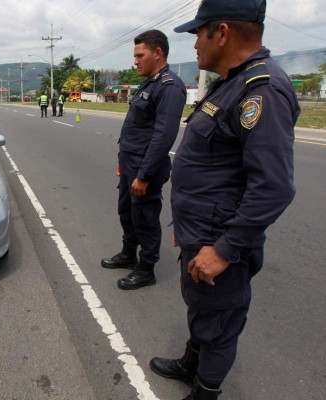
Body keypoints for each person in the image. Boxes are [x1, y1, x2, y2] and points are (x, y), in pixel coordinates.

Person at [149, 1, 299, 399]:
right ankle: (190, 363)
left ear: (223, 32)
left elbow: (274, 187)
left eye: (199, 32)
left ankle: (205, 391)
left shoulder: (261, 90)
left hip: (221, 243)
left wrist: (224, 248)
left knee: (219, 324)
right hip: (202, 233)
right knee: (203, 311)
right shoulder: (231, 82)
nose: (195, 43)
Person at [101, 30, 186, 291]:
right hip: (130, 165)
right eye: (135, 56)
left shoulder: (169, 87)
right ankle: (129, 254)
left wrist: (144, 175)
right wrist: (122, 161)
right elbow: (135, 129)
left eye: (140, 55)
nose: (135, 61)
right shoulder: (149, 83)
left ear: (157, 53)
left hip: (144, 169)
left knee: (145, 219)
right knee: (127, 213)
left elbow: (162, 137)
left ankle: (147, 268)